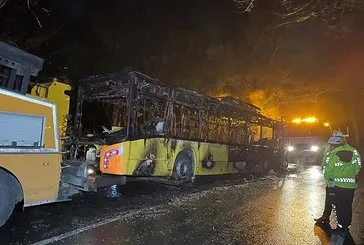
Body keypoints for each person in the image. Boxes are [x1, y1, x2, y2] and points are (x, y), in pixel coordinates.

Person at [317, 134, 361, 245]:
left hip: (336, 185)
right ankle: (345, 227)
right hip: (350, 186)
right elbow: (358, 167)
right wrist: (350, 176)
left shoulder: (333, 153)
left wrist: (329, 182)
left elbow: (327, 170)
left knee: (339, 207)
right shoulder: (354, 151)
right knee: (347, 206)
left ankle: (341, 231)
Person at [315, 131, 345, 224]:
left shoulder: (343, 150)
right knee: (329, 197)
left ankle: (341, 222)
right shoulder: (329, 147)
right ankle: (325, 217)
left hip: (337, 179)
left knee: (335, 199)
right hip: (330, 179)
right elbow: (325, 159)